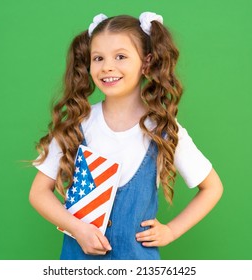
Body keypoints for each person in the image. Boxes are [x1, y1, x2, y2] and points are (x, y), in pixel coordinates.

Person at [29, 12, 223, 260]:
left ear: (147, 62)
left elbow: (212, 188)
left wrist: (172, 231)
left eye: (120, 56)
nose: (107, 66)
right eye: (98, 58)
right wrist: (77, 229)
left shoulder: (163, 128)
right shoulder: (76, 125)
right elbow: (38, 193)